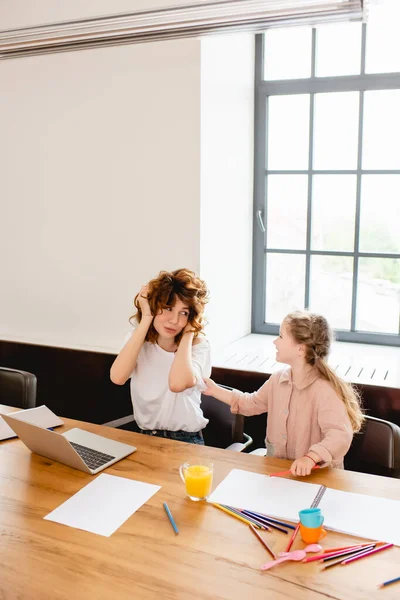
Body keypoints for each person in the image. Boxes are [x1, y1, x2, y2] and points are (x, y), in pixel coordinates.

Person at [203, 311, 364, 475]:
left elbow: (340, 435)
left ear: (300, 349)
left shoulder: (325, 391)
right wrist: (214, 390)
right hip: (281, 473)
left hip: (317, 478)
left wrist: (311, 457)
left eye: (280, 336)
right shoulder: (278, 380)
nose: (275, 341)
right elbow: (250, 404)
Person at [110, 268, 210, 445]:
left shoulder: (198, 346)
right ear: (155, 306)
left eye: (184, 313)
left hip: (187, 440)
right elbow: (118, 377)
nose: (174, 320)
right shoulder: (138, 341)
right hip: (144, 437)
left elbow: (177, 384)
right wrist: (147, 317)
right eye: (168, 308)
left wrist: (189, 332)